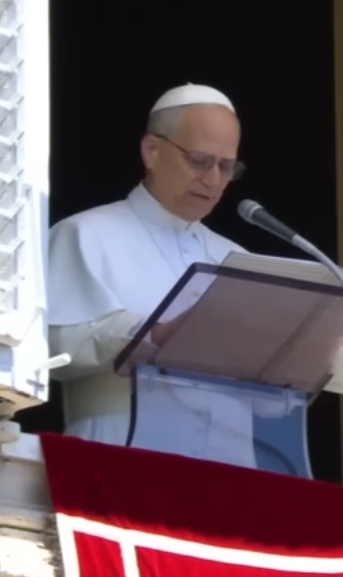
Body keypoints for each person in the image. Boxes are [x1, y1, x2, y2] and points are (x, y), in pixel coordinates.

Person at [47, 84, 289, 469]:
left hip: (230, 468)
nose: (213, 180)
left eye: (226, 167)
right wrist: (153, 334)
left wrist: (297, 357)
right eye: (200, 160)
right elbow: (50, 349)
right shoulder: (85, 233)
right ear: (152, 151)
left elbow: (271, 405)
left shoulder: (238, 261)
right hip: (120, 456)